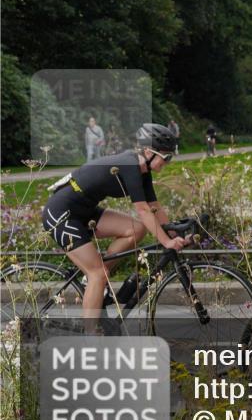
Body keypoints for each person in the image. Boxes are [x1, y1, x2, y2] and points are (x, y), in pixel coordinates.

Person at [41, 124, 187, 332]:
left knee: (136, 230)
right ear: (148, 152)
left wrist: (174, 233)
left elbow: (154, 207)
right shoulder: (129, 166)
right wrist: (166, 241)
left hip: (83, 211)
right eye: (166, 157)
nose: (168, 162)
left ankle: (96, 279)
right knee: (97, 274)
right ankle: (90, 338)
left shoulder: (142, 170)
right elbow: (143, 211)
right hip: (61, 214)